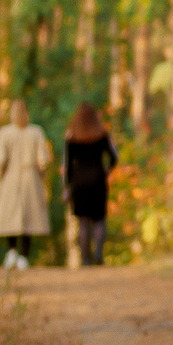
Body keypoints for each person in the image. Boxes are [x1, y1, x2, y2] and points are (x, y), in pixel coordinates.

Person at [0, 99, 53, 268]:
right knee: (27, 216)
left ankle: (12, 251)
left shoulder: (5, 133)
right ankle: (22, 255)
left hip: (11, 177)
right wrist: (42, 175)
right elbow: (42, 159)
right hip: (30, 177)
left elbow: (0, 159)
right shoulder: (36, 132)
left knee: (12, 215)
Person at [62, 102, 117, 268]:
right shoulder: (102, 135)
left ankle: (86, 260)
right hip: (98, 180)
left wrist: (67, 187)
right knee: (99, 219)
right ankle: (98, 254)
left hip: (79, 182)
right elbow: (114, 157)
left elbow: (68, 166)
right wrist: (106, 170)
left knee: (83, 222)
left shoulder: (71, 138)